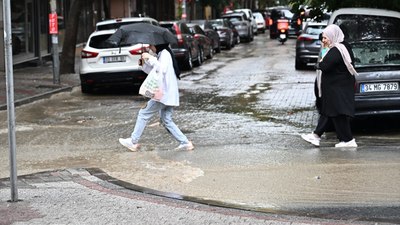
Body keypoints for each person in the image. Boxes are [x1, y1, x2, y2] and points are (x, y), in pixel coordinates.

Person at [119, 43, 194, 151]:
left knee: (143, 113)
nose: (150, 47)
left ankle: (133, 141)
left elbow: (161, 69)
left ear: (158, 44)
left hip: (164, 94)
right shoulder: (161, 54)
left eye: (151, 45)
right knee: (166, 119)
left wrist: (150, 58)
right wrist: (143, 62)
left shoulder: (165, 54)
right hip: (167, 94)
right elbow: (152, 71)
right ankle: (185, 142)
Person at [301, 24, 358, 148]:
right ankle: (318, 136)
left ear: (333, 36)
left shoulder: (337, 49)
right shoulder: (342, 47)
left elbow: (324, 65)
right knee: (330, 112)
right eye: (323, 38)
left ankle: (347, 140)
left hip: (337, 88)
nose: (323, 41)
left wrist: (318, 64)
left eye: (326, 38)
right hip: (337, 88)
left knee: (335, 113)